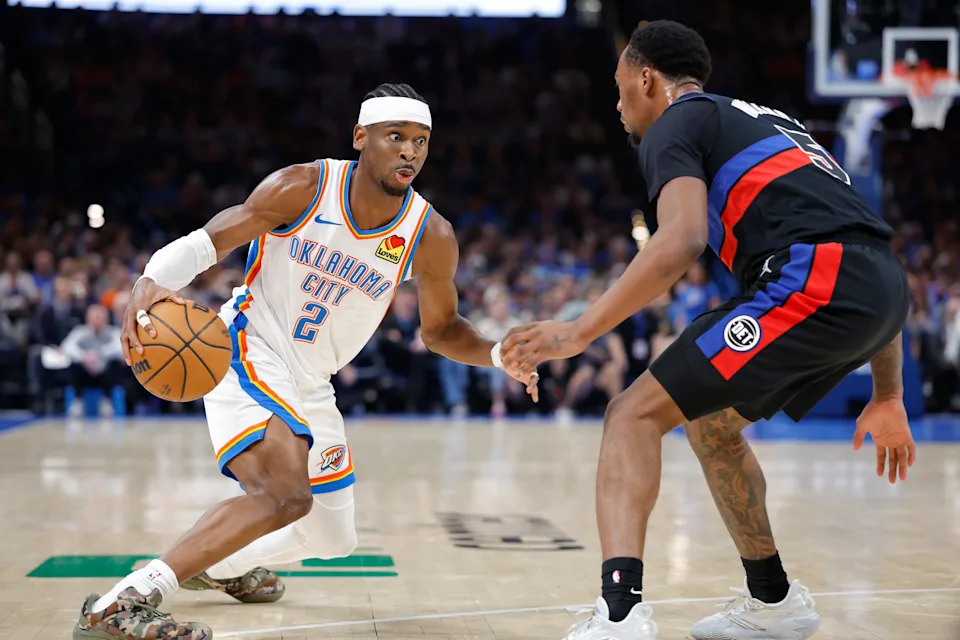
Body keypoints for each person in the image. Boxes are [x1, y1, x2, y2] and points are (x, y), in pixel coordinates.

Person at [73, 83, 538, 640]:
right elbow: (211, 240)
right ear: (361, 138)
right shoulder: (305, 186)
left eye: (421, 141)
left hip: (313, 381)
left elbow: (440, 332)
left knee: (333, 539)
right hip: (249, 346)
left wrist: (495, 353)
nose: (410, 152)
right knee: (284, 496)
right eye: (396, 137)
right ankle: (123, 601)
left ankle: (218, 568)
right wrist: (149, 281)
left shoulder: (430, 234)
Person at [501, 21, 914, 640]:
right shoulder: (775, 123)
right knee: (713, 426)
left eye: (619, 89)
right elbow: (867, 250)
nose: (617, 106)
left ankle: (619, 613)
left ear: (646, 78)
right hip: (880, 286)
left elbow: (683, 237)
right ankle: (774, 604)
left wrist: (579, 331)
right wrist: (887, 395)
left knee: (630, 414)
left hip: (812, 277)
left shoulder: (675, 122)